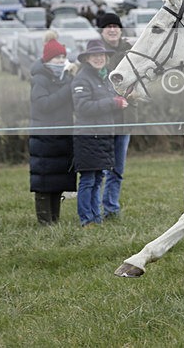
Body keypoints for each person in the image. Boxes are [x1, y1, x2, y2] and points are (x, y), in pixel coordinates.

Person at [71, 39, 127, 227]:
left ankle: (96, 217)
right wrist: (113, 103)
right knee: (87, 180)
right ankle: (87, 220)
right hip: (88, 136)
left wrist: (122, 101)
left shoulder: (105, 78)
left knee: (98, 178)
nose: (99, 58)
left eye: (101, 55)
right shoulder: (81, 79)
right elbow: (83, 107)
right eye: (95, 55)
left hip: (104, 136)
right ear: (87, 58)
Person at [29, 33, 77, 225]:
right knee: (44, 181)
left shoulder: (65, 78)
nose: (61, 61)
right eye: (57, 58)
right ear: (48, 59)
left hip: (63, 136)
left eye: (63, 57)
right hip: (44, 137)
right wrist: (69, 88)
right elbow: (44, 104)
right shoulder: (40, 79)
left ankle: (54, 220)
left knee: (58, 180)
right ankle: (44, 221)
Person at [97, 12, 134, 219]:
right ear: (102, 31)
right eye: (107, 26)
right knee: (100, 170)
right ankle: (95, 210)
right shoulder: (95, 52)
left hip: (125, 120)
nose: (112, 29)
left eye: (115, 26)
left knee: (117, 170)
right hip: (102, 120)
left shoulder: (129, 50)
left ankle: (111, 208)